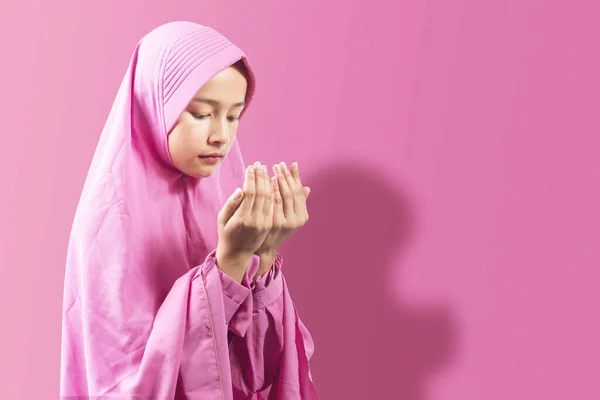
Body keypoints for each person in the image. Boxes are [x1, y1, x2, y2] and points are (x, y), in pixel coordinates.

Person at [59, 21, 318, 399]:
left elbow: (250, 371)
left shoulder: (222, 193)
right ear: (154, 104)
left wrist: (263, 255)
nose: (222, 136)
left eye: (233, 116)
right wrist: (229, 262)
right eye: (200, 114)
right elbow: (131, 384)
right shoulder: (109, 224)